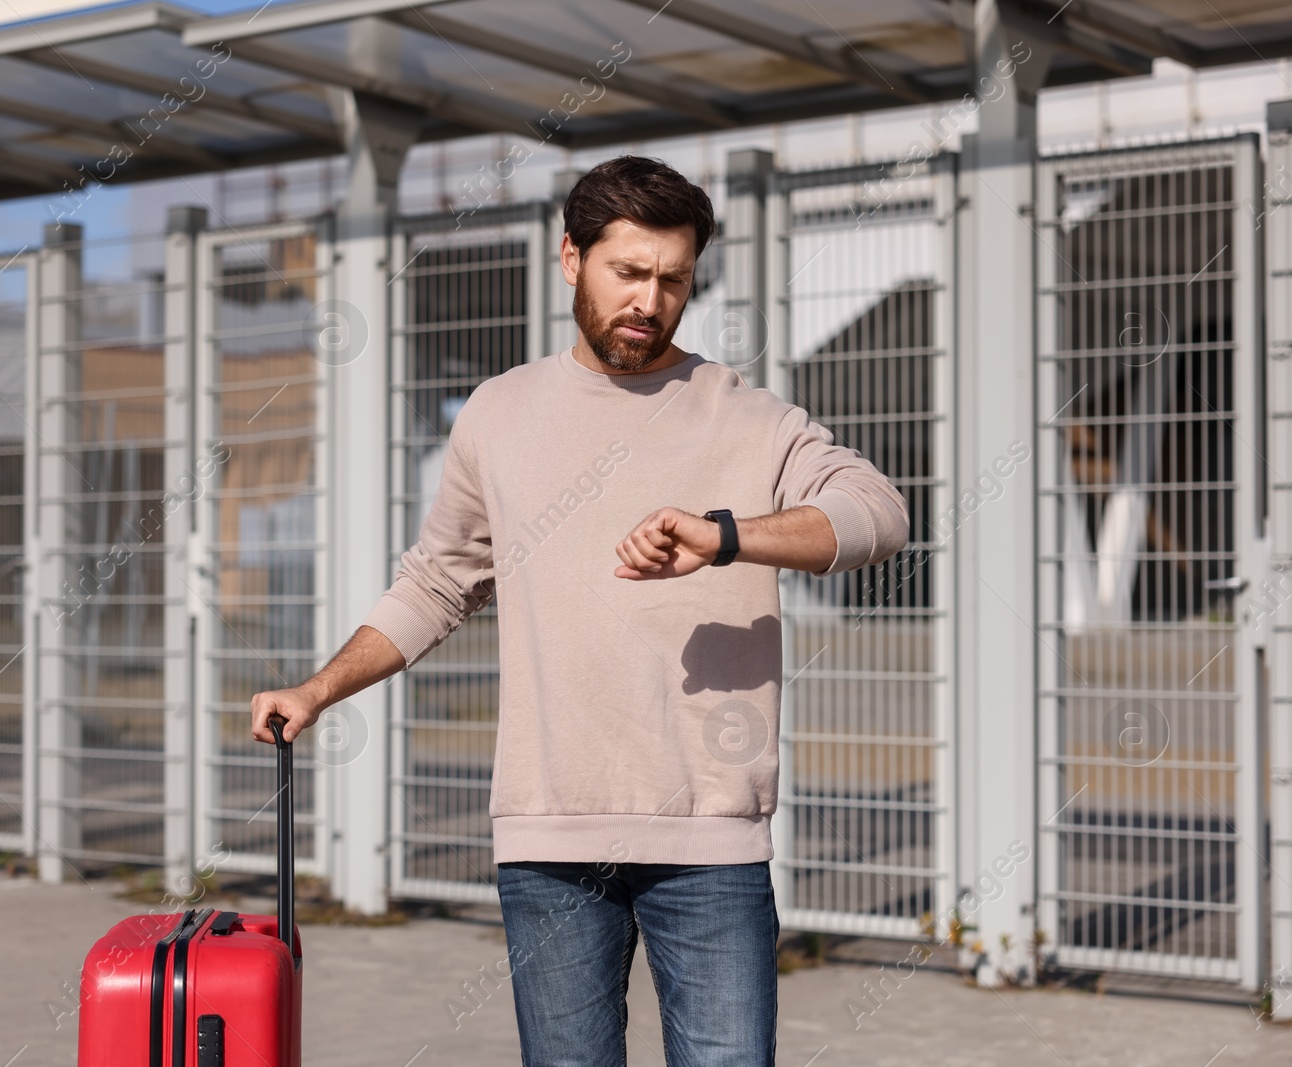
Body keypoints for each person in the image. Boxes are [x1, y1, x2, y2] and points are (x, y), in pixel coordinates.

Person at [250, 154, 909, 1067]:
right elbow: (438, 581)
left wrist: (727, 536)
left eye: (673, 280)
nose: (650, 299)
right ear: (571, 258)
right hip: (550, 838)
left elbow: (880, 514)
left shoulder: (750, 417)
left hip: (709, 841)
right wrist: (320, 688)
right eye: (629, 272)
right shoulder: (499, 413)